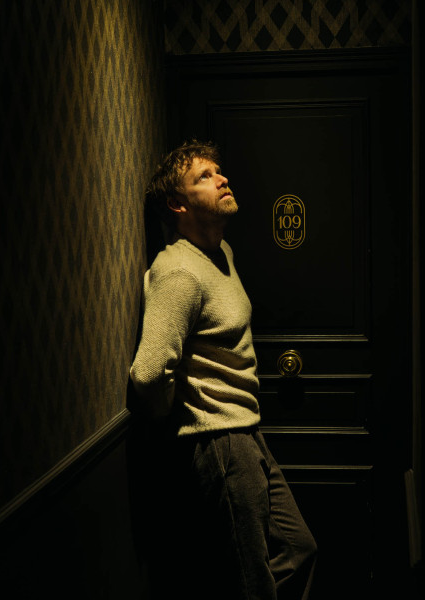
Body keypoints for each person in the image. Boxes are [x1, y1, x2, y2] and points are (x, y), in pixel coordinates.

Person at [129, 140, 317, 599]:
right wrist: (184, 416)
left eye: (219, 171)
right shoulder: (178, 272)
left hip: (247, 432)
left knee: (299, 548)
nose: (222, 179)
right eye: (205, 176)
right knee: (250, 583)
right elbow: (148, 374)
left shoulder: (222, 253)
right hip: (217, 441)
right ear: (177, 204)